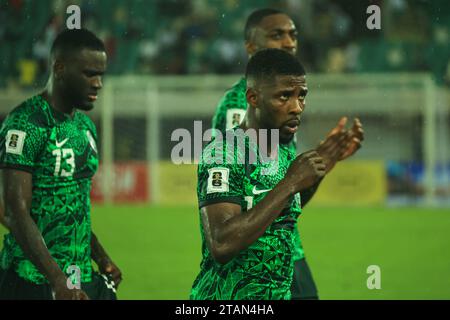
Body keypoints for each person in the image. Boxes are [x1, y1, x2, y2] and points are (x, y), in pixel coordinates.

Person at [211, 8, 363, 300]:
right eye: (276, 34)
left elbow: (288, 200)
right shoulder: (237, 107)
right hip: (254, 265)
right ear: (251, 47)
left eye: (293, 34)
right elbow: (239, 212)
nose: (289, 41)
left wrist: (322, 164)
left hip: (288, 251)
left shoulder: (285, 105)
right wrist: (293, 181)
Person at [0, 28, 121, 300]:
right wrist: (57, 280)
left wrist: (100, 257)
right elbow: (14, 212)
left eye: (101, 74)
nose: (98, 83)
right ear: (60, 68)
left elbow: (72, 207)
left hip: (78, 279)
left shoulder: (85, 128)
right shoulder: (25, 124)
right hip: (30, 278)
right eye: (89, 73)